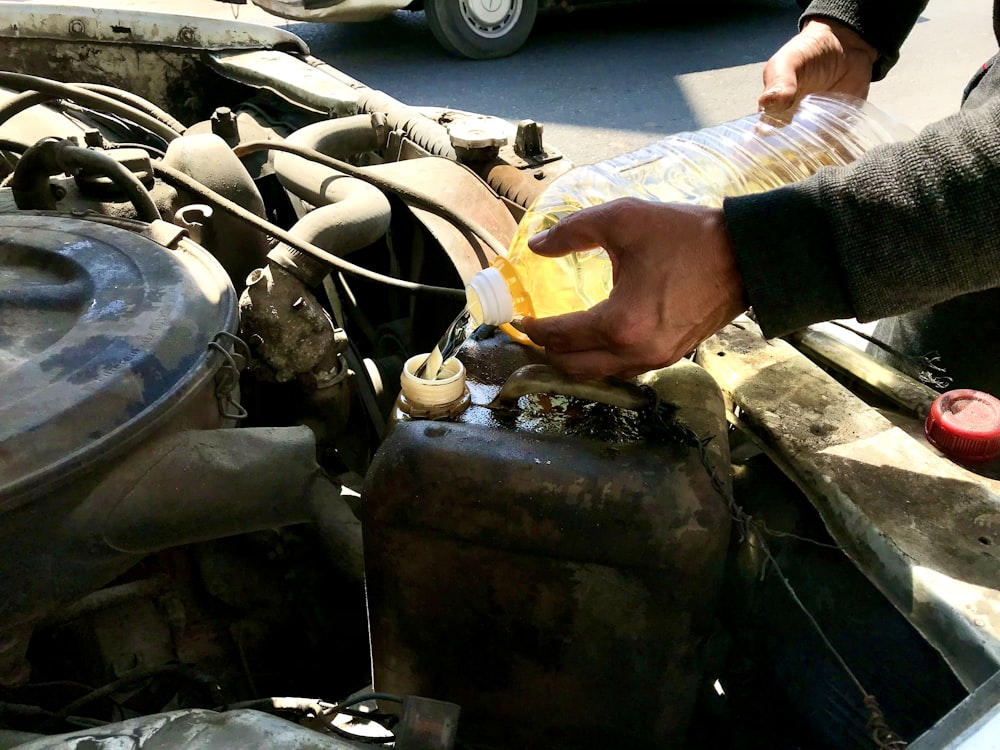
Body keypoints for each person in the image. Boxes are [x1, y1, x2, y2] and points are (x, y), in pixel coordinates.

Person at [520, 0, 1000, 397]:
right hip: (963, 231)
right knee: (907, 399)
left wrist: (749, 257)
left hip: (972, 202)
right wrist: (854, 23)